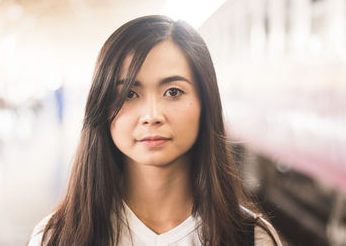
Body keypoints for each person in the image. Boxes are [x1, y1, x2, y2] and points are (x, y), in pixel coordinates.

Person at [27, 15, 282, 246]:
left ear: (206, 102)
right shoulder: (55, 237)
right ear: (102, 107)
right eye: (129, 93)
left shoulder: (252, 238)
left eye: (173, 92)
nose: (152, 116)